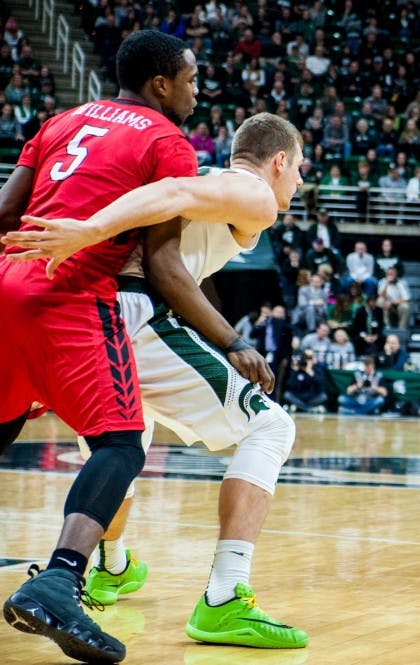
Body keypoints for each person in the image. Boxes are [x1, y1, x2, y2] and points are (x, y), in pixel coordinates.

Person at [5, 113, 309, 649]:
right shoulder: (251, 190)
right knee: (271, 429)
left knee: (120, 447)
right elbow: (169, 205)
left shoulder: (205, 176)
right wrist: (93, 232)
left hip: (72, 307)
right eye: (300, 168)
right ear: (279, 160)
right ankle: (225, 596)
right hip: (130, 312)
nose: (300, 182)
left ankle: (111, 566)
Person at [0, 30, 199, 663]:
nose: (197, 92)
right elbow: (164, 262)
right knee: (119, 442)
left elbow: (7, 210)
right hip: (74, 294)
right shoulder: (168, 143)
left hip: (8, 282)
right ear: (161, 84)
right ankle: (61, 578)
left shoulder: (61, 120)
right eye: (191, 80)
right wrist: (228, 336)